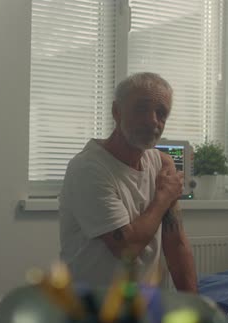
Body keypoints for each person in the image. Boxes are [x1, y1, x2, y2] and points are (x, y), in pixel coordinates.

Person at [58, 72, 197, 292]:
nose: (153, 120)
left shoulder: (163, 165)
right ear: (116, 111)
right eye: (141, 108)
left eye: (161, 113)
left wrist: (194, 308)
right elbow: (127, 249)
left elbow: (176, 245)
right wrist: (163, 198)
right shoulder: (88, 168)